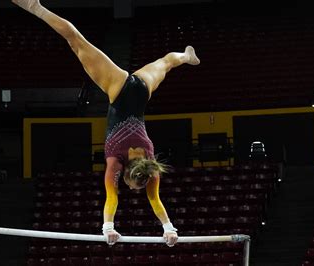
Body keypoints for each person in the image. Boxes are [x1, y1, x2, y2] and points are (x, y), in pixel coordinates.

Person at [12, 0, 200, 247]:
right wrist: (108, 227)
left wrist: (169, 228)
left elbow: (154, 200)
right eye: (132, 186)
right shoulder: (115, 160)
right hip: (118, 88)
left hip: (142, 89)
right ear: (128, 173)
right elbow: (113, 198)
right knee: (76, 42)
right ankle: (34, 7)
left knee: (166, 62)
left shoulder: (151, 164)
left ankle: (185, 56)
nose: (132, 190)